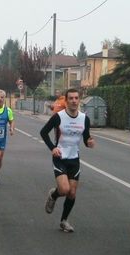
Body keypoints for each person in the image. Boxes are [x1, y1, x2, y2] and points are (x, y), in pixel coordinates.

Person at [40, 88, 95, 233]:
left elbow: (86, 138)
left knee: (72, 193)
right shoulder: (58, 117)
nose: (74, 101)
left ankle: (64, 221)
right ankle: (54, 195)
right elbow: (43, 132)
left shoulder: (84, 119)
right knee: (64, 190)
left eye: (76, 98)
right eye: (71, 98)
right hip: (60, 157)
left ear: (79, 100)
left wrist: (89, 142)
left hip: (74, 158)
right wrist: (53, 148)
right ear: (66, 100)